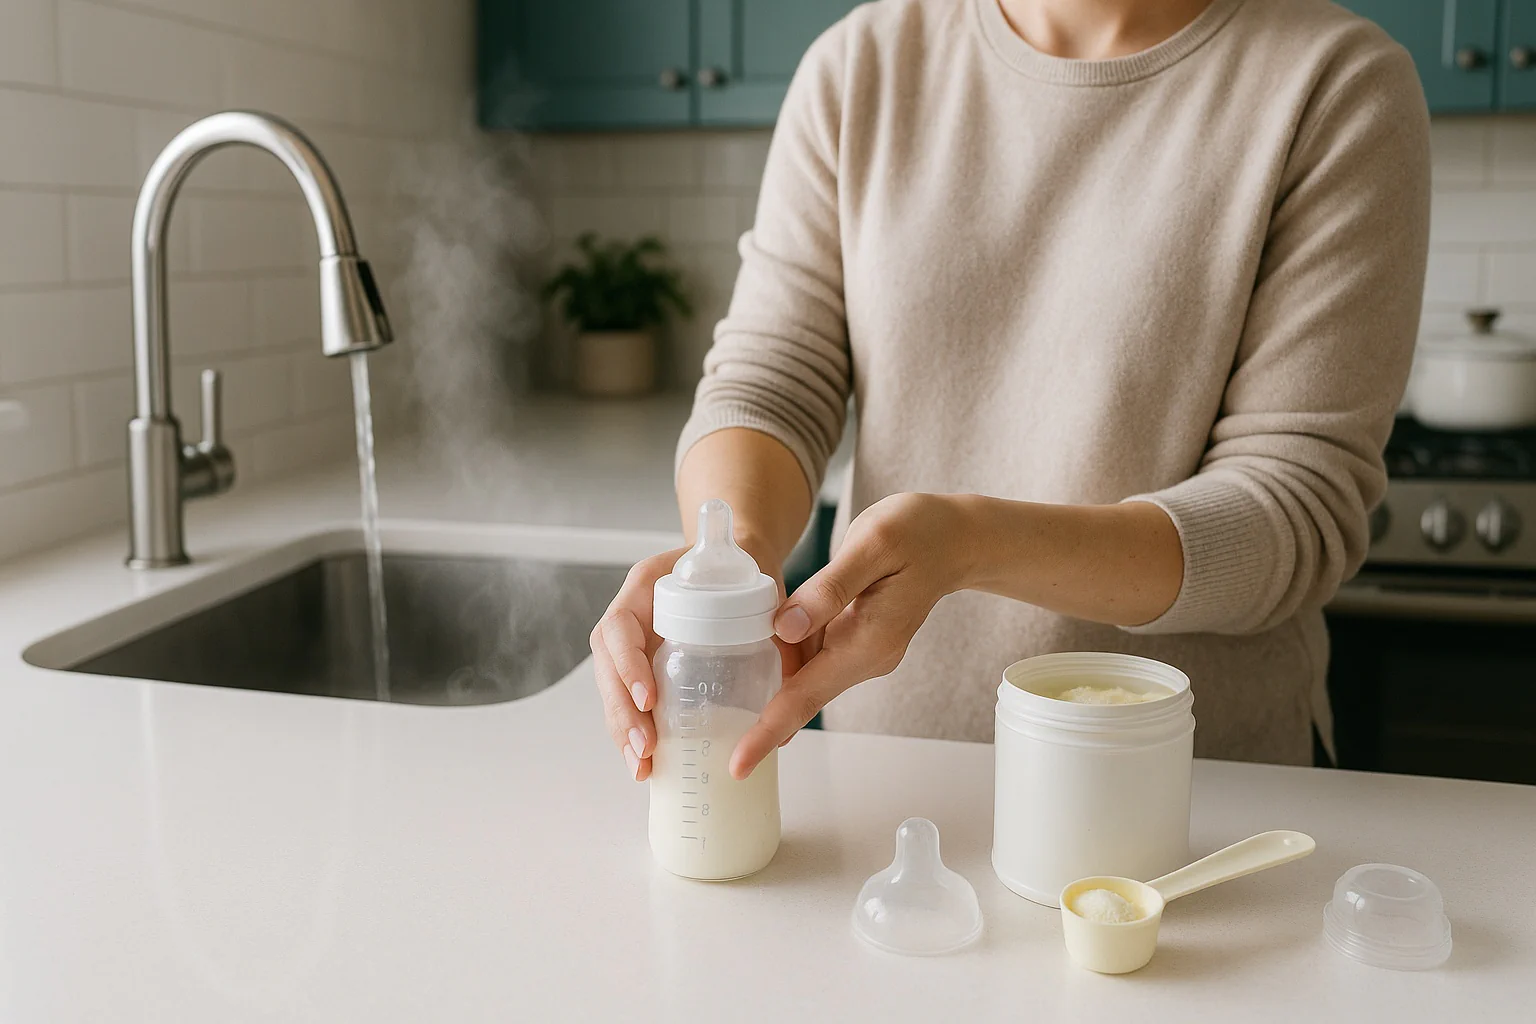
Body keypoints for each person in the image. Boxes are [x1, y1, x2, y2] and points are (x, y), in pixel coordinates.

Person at [590, 0, 1430, 783]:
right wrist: (729, 558)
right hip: (893, 784)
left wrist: (973, 545)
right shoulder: (862, 67)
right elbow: (771, 380)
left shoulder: (1334, 86)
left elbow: (1292, 511)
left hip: (1193, 807)